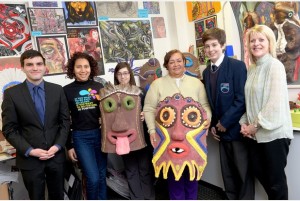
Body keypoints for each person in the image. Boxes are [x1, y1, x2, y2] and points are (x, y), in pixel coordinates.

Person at [1, 49, 70, 199]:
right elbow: (9, 129)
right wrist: (30, 150)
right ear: (22, 68)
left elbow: (65, 122)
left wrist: (57, 146)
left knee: (57, 196)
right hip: (30, 159)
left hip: (56, 156)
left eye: (39, 64)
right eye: (30, 64)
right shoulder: (12, 94)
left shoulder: (57, 90)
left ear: (45, 66)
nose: (35, 68)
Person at [143, 49, 211, 200]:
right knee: (174, 175)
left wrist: (207, 120)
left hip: (191, 139)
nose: (176, 65)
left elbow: (205, 106)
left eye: (179, 61)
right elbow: (148, 108)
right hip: (168, 139)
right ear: (166, 65)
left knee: (192, 173)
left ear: (184, 63)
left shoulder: (196, 83)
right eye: (172, 62)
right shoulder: (157, 84)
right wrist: (152, 130)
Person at [240, 24, 294, 199]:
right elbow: (250, 101)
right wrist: (244, 123)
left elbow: (274, 103)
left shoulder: (274, 66)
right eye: (252, 40)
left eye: (261, 40)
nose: (256, 43)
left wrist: (254, 126)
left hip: (274, 135)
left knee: (276, 184)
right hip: (255, 134)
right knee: (262, 175)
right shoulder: (252, 69)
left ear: (270, 42)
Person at [202, 27, 254, 200]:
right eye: (207, 46)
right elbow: (212, 102)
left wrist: (224, 122)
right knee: (228, 174)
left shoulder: (237, 66)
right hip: (220, 133)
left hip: (237, 130)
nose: (211, 50)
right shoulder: (206, 72)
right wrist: (213, 126)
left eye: (214, 45)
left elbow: (241, 99)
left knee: (243, 173)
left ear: (223, 45)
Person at [63, 52, 107, 200]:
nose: (83, 70)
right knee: (93, 178)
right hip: (81, 137)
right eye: (79, 67)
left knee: (101, 176)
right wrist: (69, 146)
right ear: (73, 69)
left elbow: (108, 111)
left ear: (91, 68)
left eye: (86, 66)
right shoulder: (66, 91)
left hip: (100, 135)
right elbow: (64, 120)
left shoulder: (99, 86)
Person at [113, 62, 155, 199]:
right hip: (124, 138)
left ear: (130, 74)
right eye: (119, 74)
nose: (122, 77)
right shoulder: (113, 94)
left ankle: (149, 198)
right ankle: (136, 198)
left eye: (125, 73)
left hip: (141, 136)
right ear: (116, 76)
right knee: (131, 170)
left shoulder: (140, 91)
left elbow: (150, 110)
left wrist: (144, 114)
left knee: (145, 169)